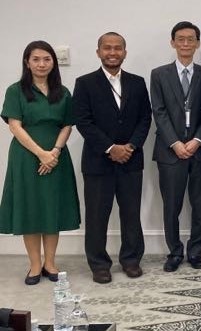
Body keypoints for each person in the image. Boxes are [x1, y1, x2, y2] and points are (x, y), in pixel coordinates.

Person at [73, 32, 151, 284]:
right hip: (98, 162)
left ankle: (131, 260)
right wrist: (110, 148)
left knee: (131, 213)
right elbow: (83, 121)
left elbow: (145, 118)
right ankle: (99, 264)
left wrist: (130, 146)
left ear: (124, 52)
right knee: (97, 216)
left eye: (118, 48)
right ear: (98, 52)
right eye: (107, 48)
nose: (112, 53)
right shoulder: (85, 83)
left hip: (131, 159)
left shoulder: (137, 82)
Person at [0, 41, 80, 285]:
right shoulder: (15, 90)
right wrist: (41, 153)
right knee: (31, 208)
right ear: (27, 62)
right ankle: (35, 265)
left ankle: (50, 263)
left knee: (51, 207)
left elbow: (67, 124)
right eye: (36, 59)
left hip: (56, 156)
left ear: (53, 62)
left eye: (47, 59)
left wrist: (54, 152)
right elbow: (15, 126)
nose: (41, 64)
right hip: (26, 157)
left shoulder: (62, 91)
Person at [150, 21, 201, 272]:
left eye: (191, 39)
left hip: (200, 150)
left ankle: (196, 251)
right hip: (170, 151)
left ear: (198, 43)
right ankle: (175, 252)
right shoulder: (159, 74)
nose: (186, 44)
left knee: (200, 205)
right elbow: (159, 111)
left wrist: (197, 140)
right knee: (171, 205)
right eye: (181, 39)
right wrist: (175, 143)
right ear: (173, 42)